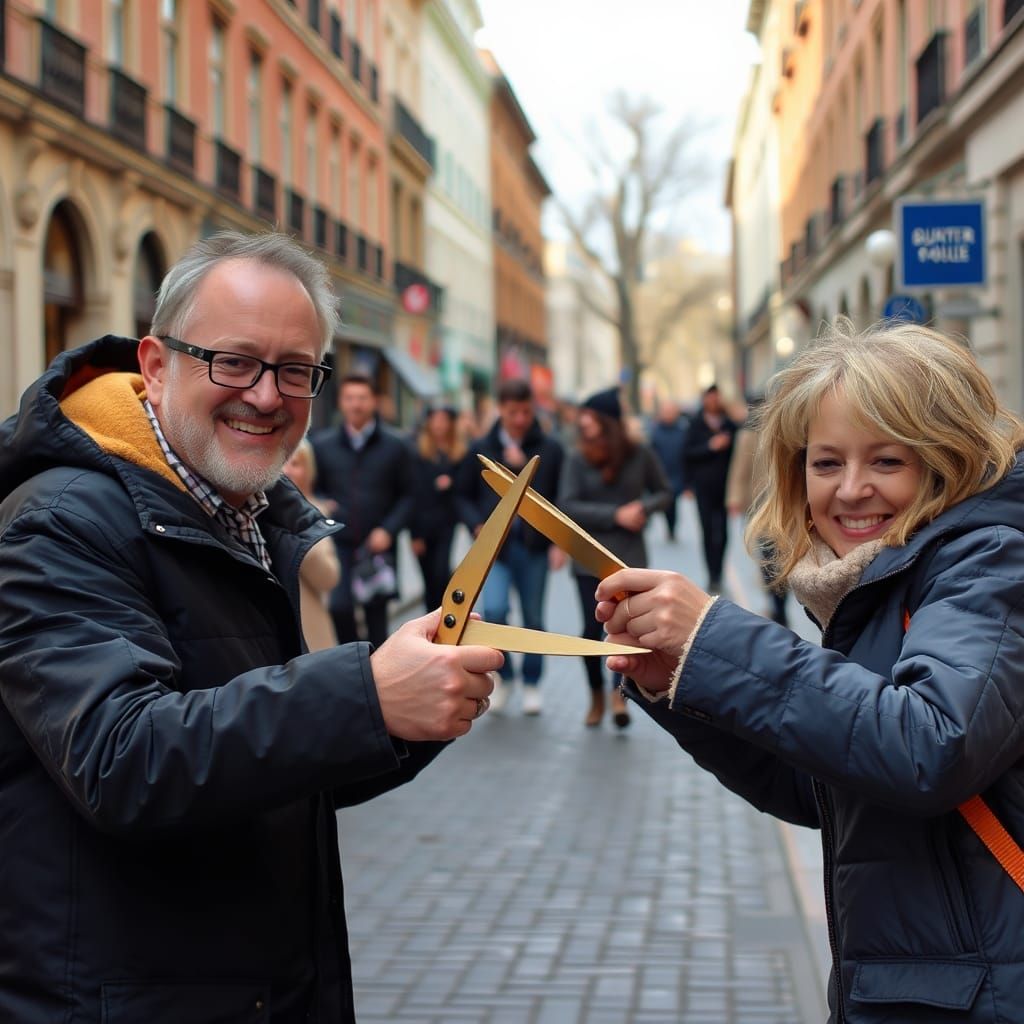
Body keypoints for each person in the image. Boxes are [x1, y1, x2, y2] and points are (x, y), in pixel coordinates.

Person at [0, 230, 502, 1022]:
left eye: (296, 370)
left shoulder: (242, 509)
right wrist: (365, 696)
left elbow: (272, 771)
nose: (267, 396)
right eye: (233, 361)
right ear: (156, 365)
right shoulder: (61, 519)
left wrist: (414, 705)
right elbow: (121, 758)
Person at [595, 320, 1024, 1023]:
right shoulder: (883, 582)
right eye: (826, 464)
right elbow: (822, 787)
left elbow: (930, 747)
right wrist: (677, 681)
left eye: (886, 460)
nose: (850, 489)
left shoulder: (991, 560)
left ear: (946, 458)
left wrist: (719, 637)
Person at [559, 387, 671, 728]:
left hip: (628, 558)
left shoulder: (639, 453)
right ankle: (595, 696)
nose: (583, 422)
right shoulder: (576, 458)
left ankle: (617, 695)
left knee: (624, 632)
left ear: (607, 421)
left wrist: (643, 508)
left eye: (590, 416)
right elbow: (568, 505)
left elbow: (665, 492)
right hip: (587, 557)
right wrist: (615, 515)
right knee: (590, 631)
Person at [458, 378, 565, 715]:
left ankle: (532, 683)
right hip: (495, 551)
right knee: (494, 612)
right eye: (513, 412)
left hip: (534, 548)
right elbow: (462, 494)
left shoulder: (550, 449)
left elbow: (559, 498)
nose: (520, 419)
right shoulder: (481, 447)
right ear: (500, 409)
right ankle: (504, 677)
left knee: (533, 618)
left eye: (526, 412)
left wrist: (559, 543)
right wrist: (475, 523)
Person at [311, 373, 413, 649]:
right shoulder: (322, 445)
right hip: (338, 541)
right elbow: (313, 488)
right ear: (340, 402)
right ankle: (355, 661)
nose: (356, 404)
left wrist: (389, 530)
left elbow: (409, 495)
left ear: (374, 401)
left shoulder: (396, 446)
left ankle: (378, 666)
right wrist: (323, 503)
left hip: (378, 546)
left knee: (376, 617)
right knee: (339, 607)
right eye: (349, 398)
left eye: (362, 398)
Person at [725, 392, 789, 625]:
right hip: (776, 505)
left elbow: (739, 470)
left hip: (764, 506)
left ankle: (776, 601)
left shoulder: (750, 434)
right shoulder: (780, 432)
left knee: (769, 555)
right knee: (780, 554)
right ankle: (779, 602)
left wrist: (734, 500)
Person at [282, 438, 342, 651]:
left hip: (310, 635)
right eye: (281, 462)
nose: (286, 471)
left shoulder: (315, 514)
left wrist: (295, 527)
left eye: (295, 463)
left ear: (309, 471)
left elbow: (328, 577)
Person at [409, 404, 470, 612]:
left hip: (447, 523)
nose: (439, 425)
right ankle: (430, 620)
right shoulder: (418, 452)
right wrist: (415, 534)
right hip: (423, 524)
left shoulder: (459, 452)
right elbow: (413, 492)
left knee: (441, 573)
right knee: (428, 579)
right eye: (435, 420)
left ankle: (444, 615)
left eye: (444, 420)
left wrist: (451, 483)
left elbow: (466, 487)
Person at [683, 383, 737, 593]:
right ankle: (712, 575)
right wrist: (711, 446)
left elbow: (740, 455)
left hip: (725, 488)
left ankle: (719, 571)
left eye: (717, 397)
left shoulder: (729, 424)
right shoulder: (695, 424)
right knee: (707, 531)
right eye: (710, 397)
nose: (714, 401)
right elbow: (687, 454)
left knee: (723, 533)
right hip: (703, 488)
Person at [648, 398, 689, 541]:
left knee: (673, 502)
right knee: (666, 503)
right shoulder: (655, 431)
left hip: (677, 473)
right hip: (662, 474)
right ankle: (669, 526)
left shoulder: (683, 430)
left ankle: (672, 528)